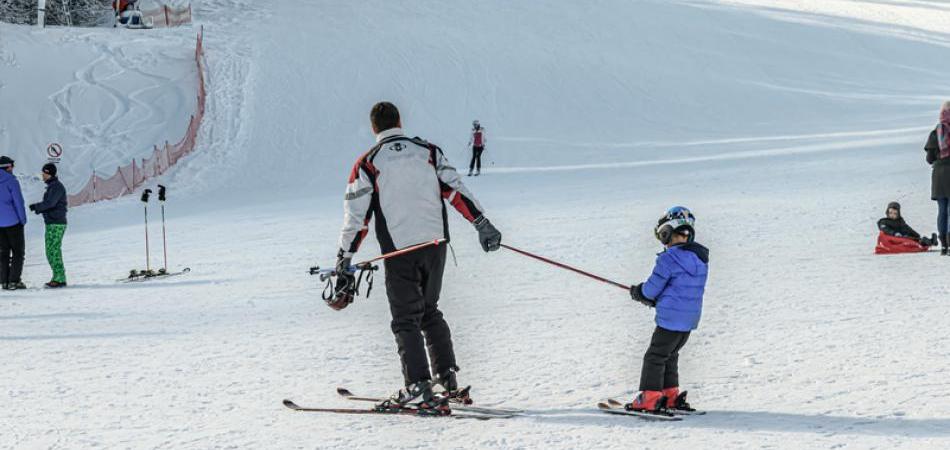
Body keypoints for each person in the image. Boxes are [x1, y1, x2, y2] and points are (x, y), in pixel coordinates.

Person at [331, 102, 502, 414]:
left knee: (405, 319)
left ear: (374, 128)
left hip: (401, 251)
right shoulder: (428, 151)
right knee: (429, 310)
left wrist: (344, 257)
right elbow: (455, 189)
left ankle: (418, 386)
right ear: (399, 121)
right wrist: (482, 223)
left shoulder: (368, 162)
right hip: (436, 245)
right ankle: (446, 379)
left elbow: (357, 217)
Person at [627, 206, 708, 413]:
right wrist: (659, 298)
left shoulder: (668, 259)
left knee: (655, 356)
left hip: (670, 319)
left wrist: (640, 293)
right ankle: (670, 394)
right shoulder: (699, 260)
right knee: (670, 354)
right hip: (688, 320)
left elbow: (652, 289)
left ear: (667, 233)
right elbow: (679, 289)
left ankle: (650, 397)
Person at [29, 163, 68, 288]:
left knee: (53, 251)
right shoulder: (52, 186)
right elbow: (49, 202)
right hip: (53, 222)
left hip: (56, 223)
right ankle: (58, 276)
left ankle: (59, 278)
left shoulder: (56, 187)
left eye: (44, 173)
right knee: (51, 251)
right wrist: (38, 207)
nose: (42, 175)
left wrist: (37, 207)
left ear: (49, 173)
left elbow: (50, 203)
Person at [925, 101, 950, 256]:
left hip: (939, 174)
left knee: (942, 211)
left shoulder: (936, 132)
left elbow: (929, 159)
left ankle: (944, 246)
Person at [0, 156, 27, 290]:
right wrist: (22, 219)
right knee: (18, 252)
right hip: (13, 222)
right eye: (12, 166)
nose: (13, 169)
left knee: (3, 252)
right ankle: (14, 281)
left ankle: (4, 281)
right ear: (7, 167)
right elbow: (18, 203)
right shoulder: (11, 181)